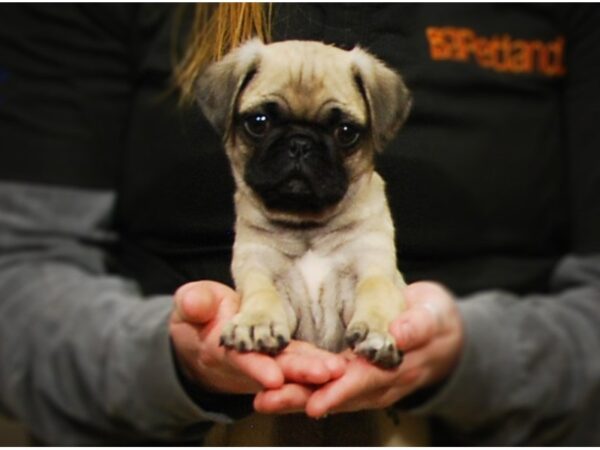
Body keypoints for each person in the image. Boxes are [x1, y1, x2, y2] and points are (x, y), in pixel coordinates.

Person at [1, 3, 599, 446]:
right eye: (263, 124)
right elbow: (21, 287)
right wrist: (171, 363)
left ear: (381, 128)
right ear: (225, 112)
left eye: (340, 134)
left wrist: (473, 351)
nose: (298, 153)